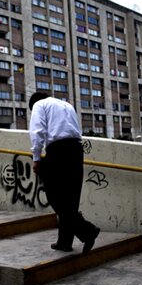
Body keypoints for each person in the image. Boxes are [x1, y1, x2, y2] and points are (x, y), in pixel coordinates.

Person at [28, 91, 100, 254]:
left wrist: (36, 158)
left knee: (55, 197)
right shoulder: (67, 105)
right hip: (76, 149)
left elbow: (36, 131)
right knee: (71, 199)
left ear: (34, 104)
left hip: (58, 150)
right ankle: (64, 242)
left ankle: (87, 230)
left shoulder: (40, 105)